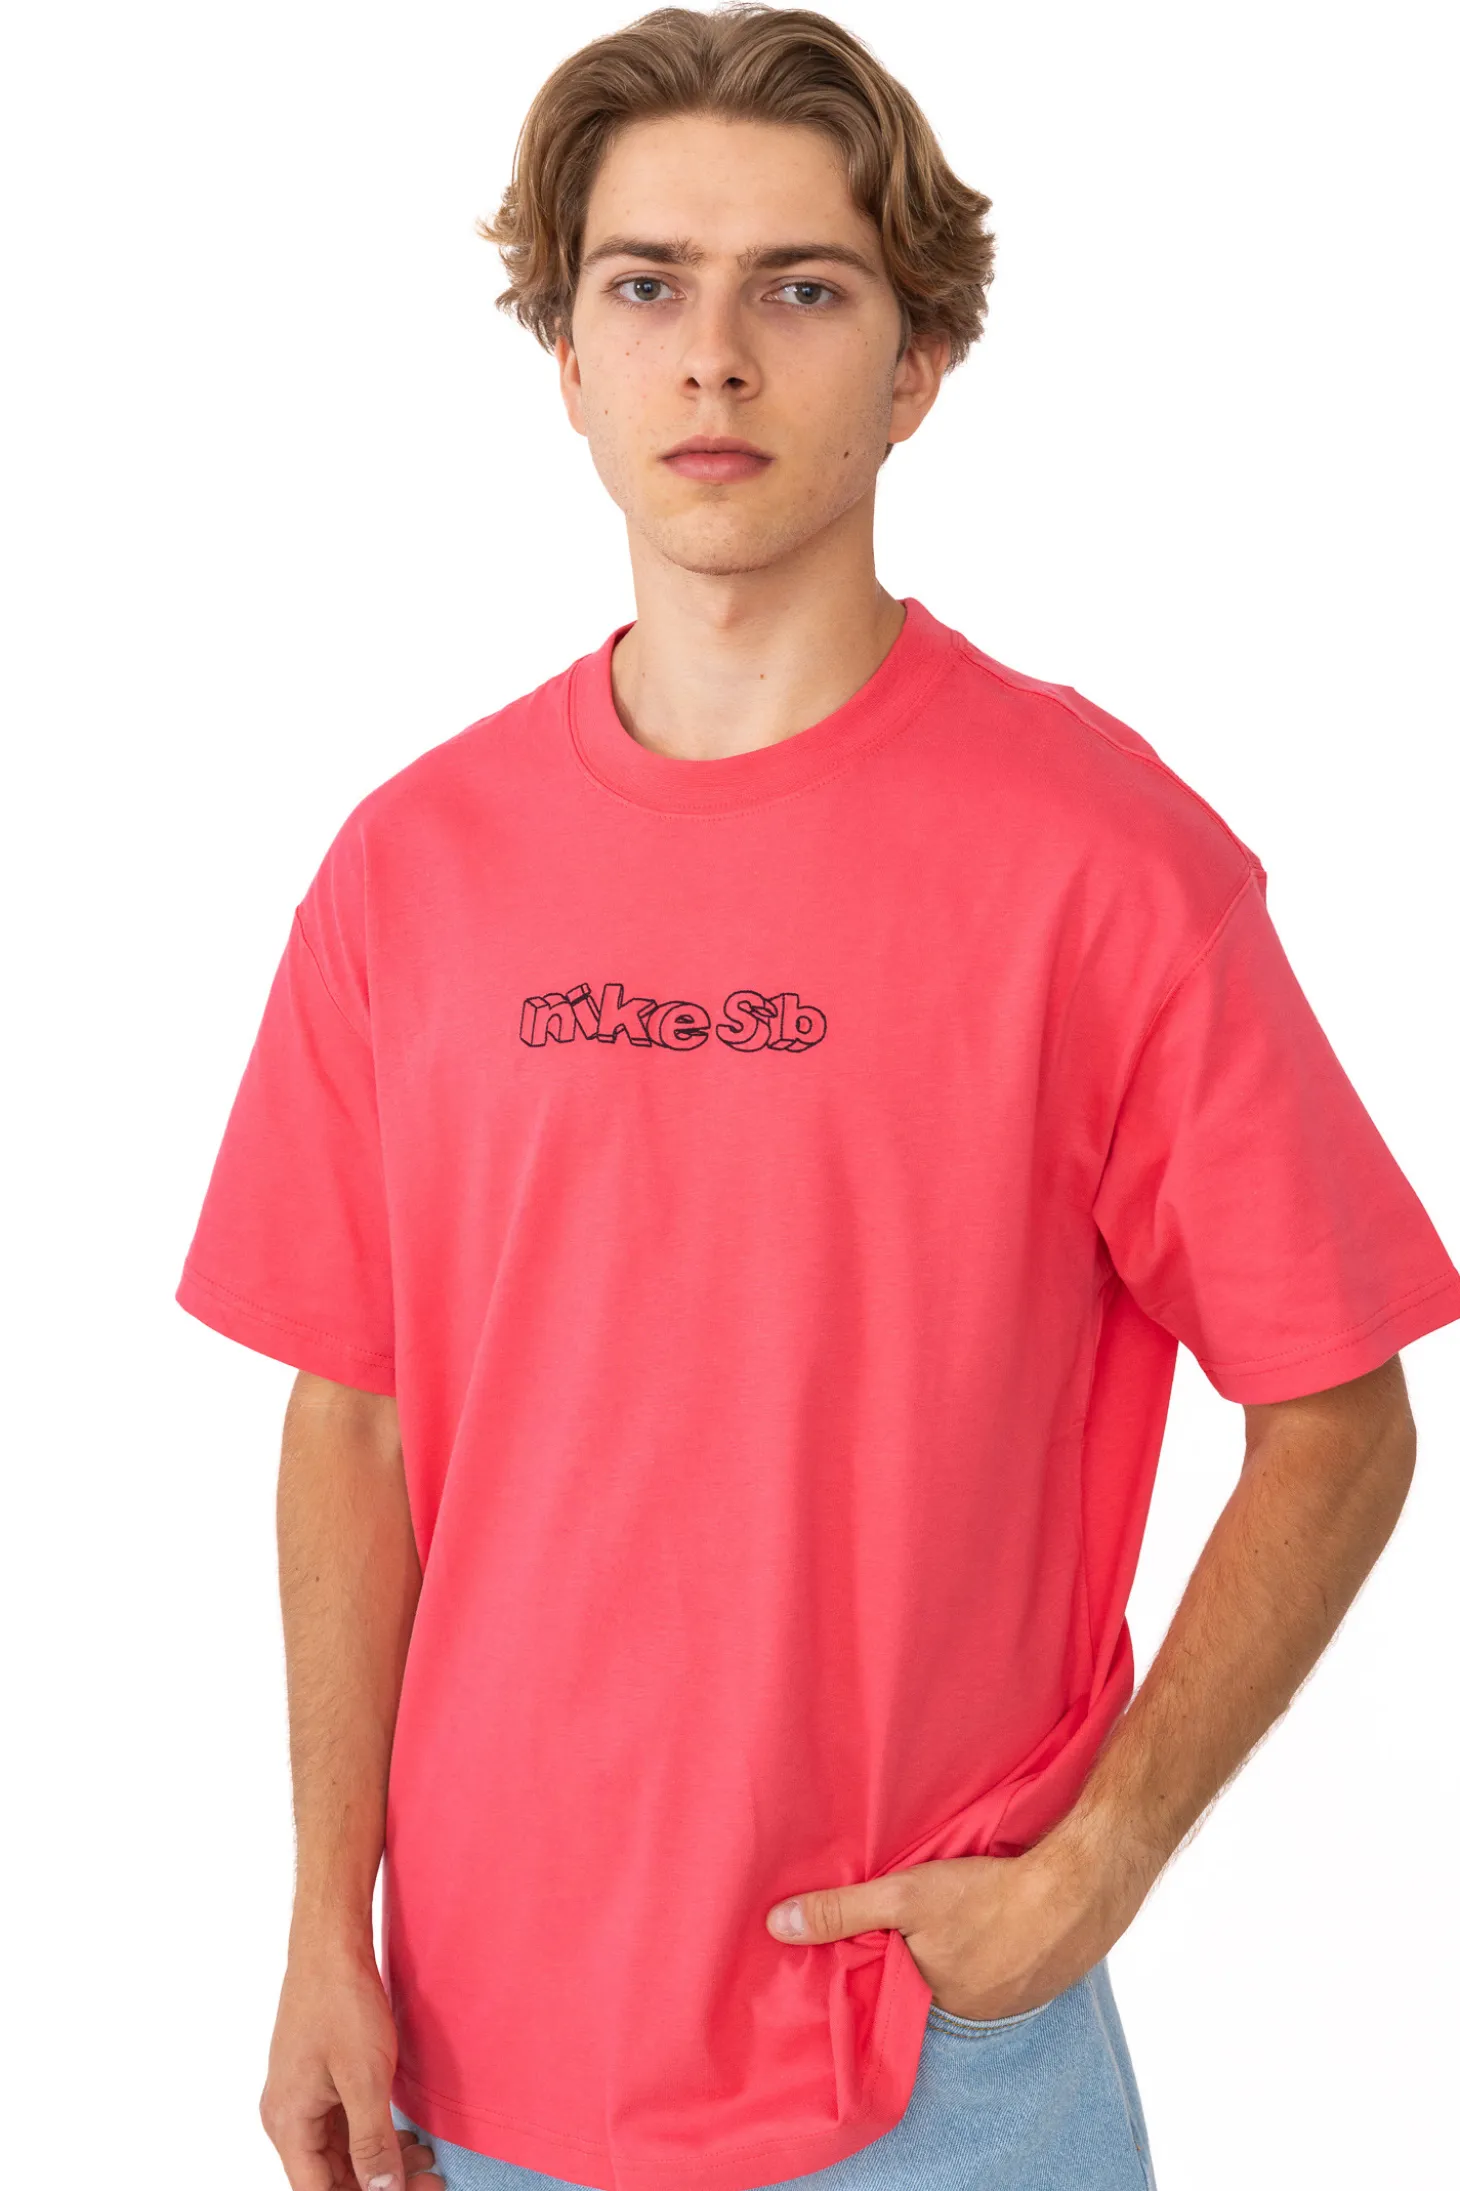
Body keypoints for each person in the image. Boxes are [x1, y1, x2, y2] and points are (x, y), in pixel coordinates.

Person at [175, 8, 1460, 2189]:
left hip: (932, 2065)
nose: (712, 360)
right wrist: (322, 1916)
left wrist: (1095, 1866)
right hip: (475, 2060)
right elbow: (355, 1419)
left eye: (800, 288)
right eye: (644, 285)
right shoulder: (411, 868)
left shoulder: (1103, 863)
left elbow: (1337, 1415)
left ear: (918, 361)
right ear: (565, 357)